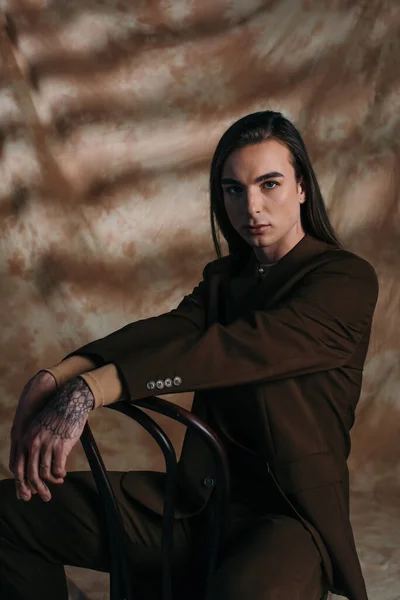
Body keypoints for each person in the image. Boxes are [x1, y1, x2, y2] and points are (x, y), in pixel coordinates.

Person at [0, 111, 378, 600]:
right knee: (10, 513)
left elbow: (237, 350)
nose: (252, 206)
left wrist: (92, 391)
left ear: (302, 187)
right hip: (196, 503)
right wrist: (57, 377)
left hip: (287, 520)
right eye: (233, 190)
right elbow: (168, 332)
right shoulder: (225, 279)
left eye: (269, 184)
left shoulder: (346, 281)